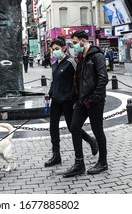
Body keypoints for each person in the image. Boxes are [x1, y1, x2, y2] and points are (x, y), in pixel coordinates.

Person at [45, 36, 98, 167]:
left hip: (68, 101)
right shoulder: (54, 64)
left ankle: (91, 141)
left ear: (64, 49)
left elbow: (78, 80)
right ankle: (56, 155)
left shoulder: (71, 62)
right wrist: (49, 94)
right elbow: (53, 81)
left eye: (57, 49)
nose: (54, 52)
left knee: (72, 127)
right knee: (53, 128)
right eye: (53, 50)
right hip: (56, 100)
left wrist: (77, 98)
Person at [62, 30, 109, 177]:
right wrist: (77, 99)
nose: (74, 46)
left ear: (83, 41)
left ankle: (103, 162)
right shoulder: (81, 57)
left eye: (75, 43)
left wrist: (94, 98)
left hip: (94, 101)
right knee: (74, 127)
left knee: (98, 130)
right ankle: (79, 163)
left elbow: (103, 78)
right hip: (82, 101)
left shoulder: (97, 56)